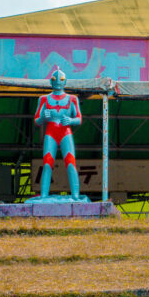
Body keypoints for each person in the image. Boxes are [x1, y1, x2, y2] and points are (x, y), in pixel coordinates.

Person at [34, 68, 83, 199]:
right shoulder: (44, 99)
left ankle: (75, 195)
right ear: (51, 81)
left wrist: (71, 120)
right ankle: (44, 195)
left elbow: (79, 118)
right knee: (47, 163)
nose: (57, 82)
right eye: (55, 80)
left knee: (71, 162)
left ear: (65, 82)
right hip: (51, 132)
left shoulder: (72, 99)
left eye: (60, 80)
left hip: (65, 132)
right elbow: (37, 120)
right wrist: (43, 117)